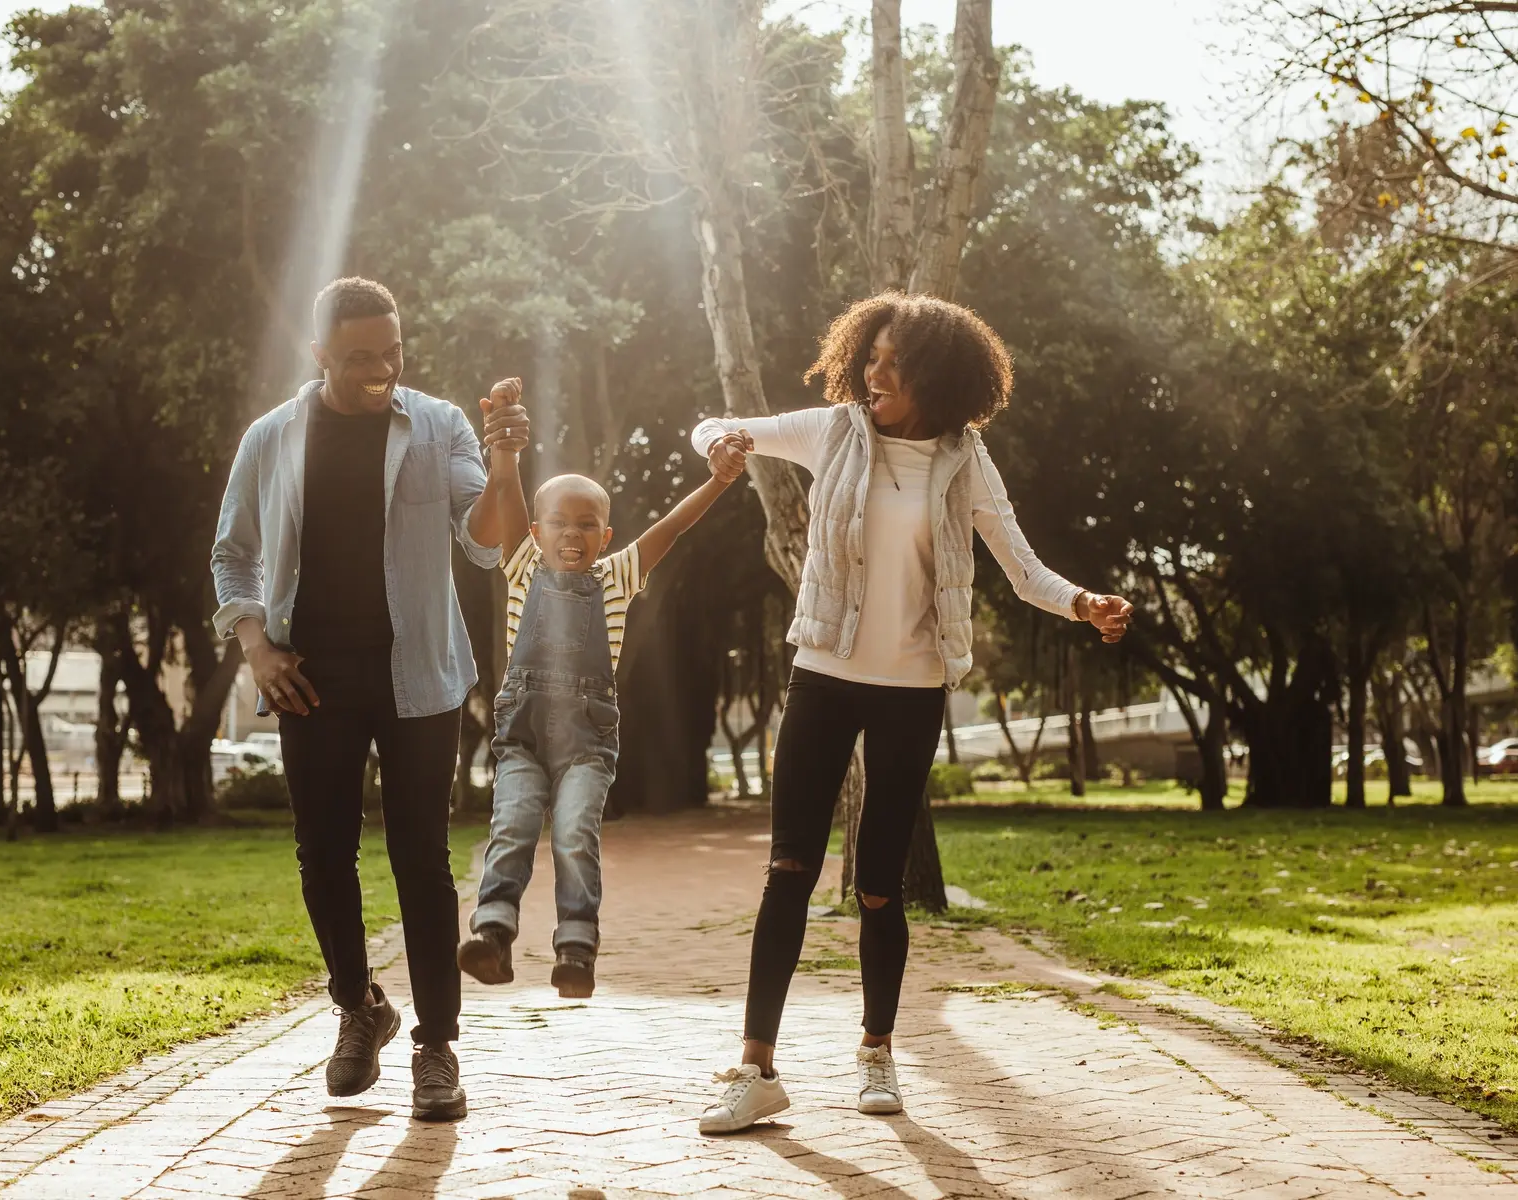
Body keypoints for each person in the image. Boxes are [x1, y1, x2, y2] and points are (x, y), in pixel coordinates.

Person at [689, 293, 1134, 1134]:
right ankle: (755, 1070)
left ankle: (876, 1055)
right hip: (823, 674)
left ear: (938, 376)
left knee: (881, 888)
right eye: (871, 356)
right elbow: (715, 423)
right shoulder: (832, 432)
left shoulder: (965, 462)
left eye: (894, 363)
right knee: (788, 872)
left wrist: (1083, 603)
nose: (873, 372)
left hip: (912, 691)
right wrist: (721, 441)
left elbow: (1023, 568)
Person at [210, 278, 528, 1122]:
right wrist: (256, 646)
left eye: (393, 350)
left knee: (421, 858)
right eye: (361, 357)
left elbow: (486, 541)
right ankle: (360, 1007)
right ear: (320, 355)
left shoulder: (440, 424)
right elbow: (232, 554)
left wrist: (503, 463)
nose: (383, 368)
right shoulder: (272, 438)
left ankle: (436, 1048)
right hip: (311, 676)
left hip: (419, 672)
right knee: (323, 856)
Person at [458, 383, 748, 999]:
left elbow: (673, 526)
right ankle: (492, 931)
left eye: (586, 524)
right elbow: (506, 486)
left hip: (588, 744)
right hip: (522, 739)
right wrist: (505, 441)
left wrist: (720, 482)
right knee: (511, 825)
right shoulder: (522, 564)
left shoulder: (618, 575)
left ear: (606, 536)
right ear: (535, 531)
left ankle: (575, 949)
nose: (572, 533)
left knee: (572, 834)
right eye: (558, 522)